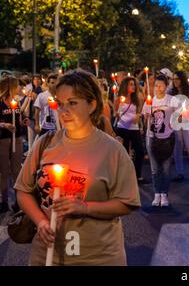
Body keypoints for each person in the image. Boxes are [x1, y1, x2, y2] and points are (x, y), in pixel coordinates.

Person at [15, 71, 141, 265]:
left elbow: (127, 202)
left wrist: (85, 207)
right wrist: (40, 221)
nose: (64, 110)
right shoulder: (44, 144)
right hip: (47, 255)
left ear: (91, 105)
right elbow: (23, 190)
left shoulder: (113, 150)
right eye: (60, 103)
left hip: (98, 256)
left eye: (72, 103)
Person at [143, 75, 178, 207]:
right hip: (152, 137)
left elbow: (179, 115)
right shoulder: (149, 101)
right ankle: (157, 193)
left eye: (161, 85)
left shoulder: (172, 100)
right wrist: (146, 116)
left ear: (166, 86)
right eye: (156, 85)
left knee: (166, 168)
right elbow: (145, 117)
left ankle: (164, 194)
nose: (158, 88)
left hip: (168, 138)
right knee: (155, 168)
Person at [0, 76, 30, 213]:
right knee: (4, 172)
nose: (19, 88)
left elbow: (19, 118)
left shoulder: (16, 102)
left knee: (17, 170)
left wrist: (23, 122)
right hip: (3, 140)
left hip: (16, 138)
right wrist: (4, 125)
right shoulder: (0, 102)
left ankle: (18, 202)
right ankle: (4, 201)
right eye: (16, 85)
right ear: (10, 87)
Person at [169, 71, 189, 182]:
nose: (175, 81)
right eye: (174, 79)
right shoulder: (171, 91)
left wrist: (186, 112)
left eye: (177, 79)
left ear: (182, 79)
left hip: (187, 120)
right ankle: (179, 172)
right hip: (176, 122)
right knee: (177, 147)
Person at [114, 76, 144, 182]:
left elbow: (139, 112)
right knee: (124, 152)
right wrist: (117, 114)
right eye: (131, 84)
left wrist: (139, 118)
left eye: (134, 84)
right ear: (125, 86)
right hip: (122, 127)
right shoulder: (119, 99)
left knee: (140, 151)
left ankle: (137, 174)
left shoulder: (137, 99)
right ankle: (125, 176)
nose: (133, 86)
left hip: (134, 127)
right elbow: (115, 113)